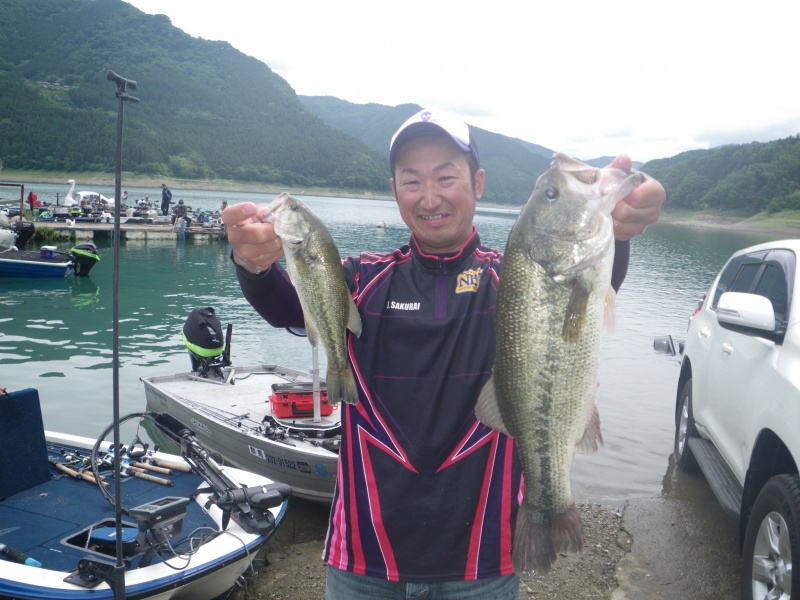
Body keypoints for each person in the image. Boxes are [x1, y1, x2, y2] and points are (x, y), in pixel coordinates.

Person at [222, 109, 665, 599]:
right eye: (411, 181)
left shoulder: (513, 280)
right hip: (364, 557)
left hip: (482, 561)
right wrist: (252, 262)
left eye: (446, 177)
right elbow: (285, 305)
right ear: (395, 191)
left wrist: (619, 233)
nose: (429, 197)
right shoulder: (362, 278)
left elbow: (574, 307)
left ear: (477, 183)